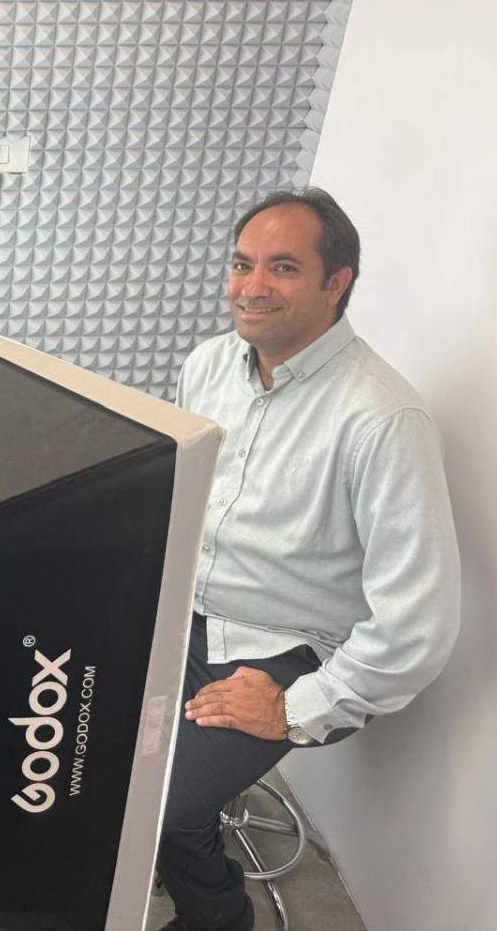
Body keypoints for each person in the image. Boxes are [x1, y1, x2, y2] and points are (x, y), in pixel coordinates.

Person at [156, 189, 461, 931]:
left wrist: (295, 707)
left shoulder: (382, 418)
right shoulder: (208, 365)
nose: (252, 285)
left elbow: (419, 625)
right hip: (185, 609)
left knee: (164, 805)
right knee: (69, 728)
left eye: (284, 267)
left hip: (287, 646)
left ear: (337, 283)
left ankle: (216, 916)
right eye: (243, 264)